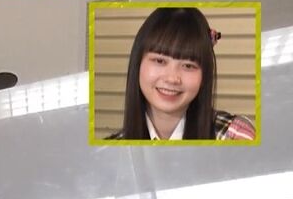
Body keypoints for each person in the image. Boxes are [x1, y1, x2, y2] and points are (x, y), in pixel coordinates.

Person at [105, 7, 255, 141]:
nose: (172, 78)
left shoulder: (236, 137)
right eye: (159, 61)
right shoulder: (108, 152)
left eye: (188, 66)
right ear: (138, 63)